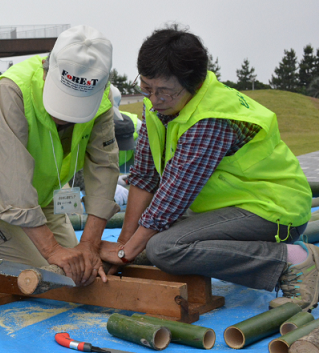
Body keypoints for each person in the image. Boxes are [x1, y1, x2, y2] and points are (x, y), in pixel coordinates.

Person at [100, 25, 318, 312]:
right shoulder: (159, 107)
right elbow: (144, 177)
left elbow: (171, 200)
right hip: (231, 208)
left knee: (164, 248)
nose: (153, 100)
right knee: (152, 240)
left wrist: (126, 253)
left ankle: (294, 260)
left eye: (164, 92)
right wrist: (125, 244)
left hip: (273, 210)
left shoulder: (211, 118)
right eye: (146, 88)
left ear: (195, 83)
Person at [0, 25, 119, 286]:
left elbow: (104, 167)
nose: (65, 116)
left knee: (78, 270)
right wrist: (53, 251)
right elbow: (14, 186)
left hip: (43, 197)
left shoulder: (103, 98)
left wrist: (89, 244)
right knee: (38, 275)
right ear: (46, 71)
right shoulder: (13, 90)